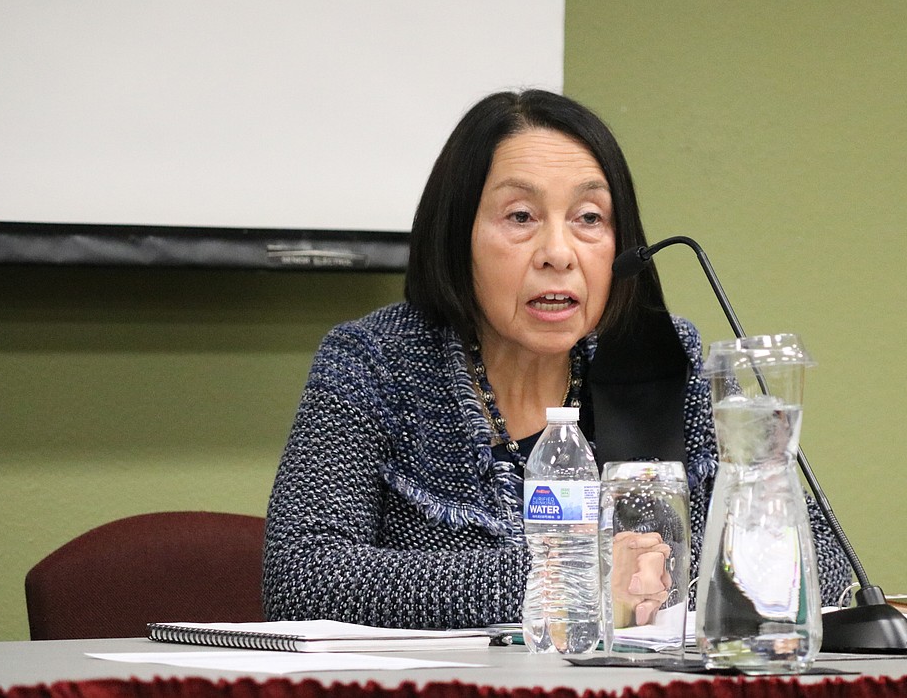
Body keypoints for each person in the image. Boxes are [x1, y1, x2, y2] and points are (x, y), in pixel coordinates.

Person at [262, 89, 850, 630]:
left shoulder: (668, 359)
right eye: (521, 217)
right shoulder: (375, 362)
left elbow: (811, 552)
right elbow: (303, 579)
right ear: (456, 233)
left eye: (589, 218)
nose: (558, 253)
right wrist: (579, 579)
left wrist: (655, 580)